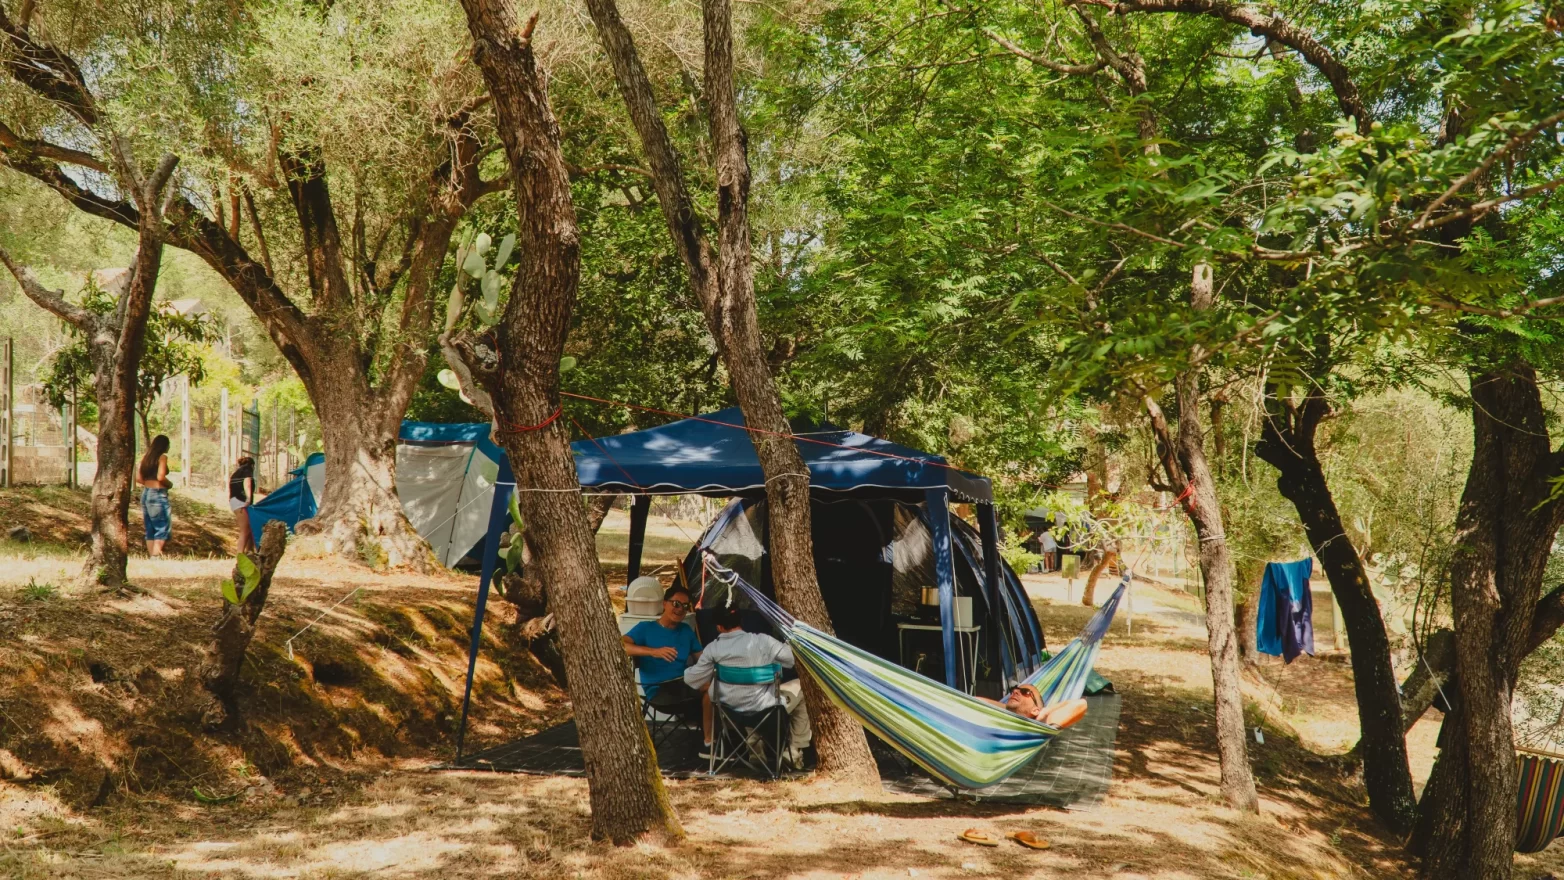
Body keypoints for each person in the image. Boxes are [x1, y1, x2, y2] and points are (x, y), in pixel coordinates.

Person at [684, 605, 811, 768]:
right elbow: (791, 660)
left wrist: (688, 669)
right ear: (741, 621)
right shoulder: (763, 641)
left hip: (731, 713)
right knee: (802, 686)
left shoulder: (713, 649)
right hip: (766, 711)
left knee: (743, 697)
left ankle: (754, 745)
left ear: (719, 627)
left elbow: (692, 679)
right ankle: (793, 749)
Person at [623, 586, 704, 707]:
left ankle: (714, 725)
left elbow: (702, 659)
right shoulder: (645, 628)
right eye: (676, 604)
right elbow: (621, 646)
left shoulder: (686, 630)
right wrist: (653, 652)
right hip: (658, 690)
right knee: (709, 695)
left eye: (685, 606)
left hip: (682, 684)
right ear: (664, 604)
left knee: (716, 691)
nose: (680, 609)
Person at [980, 683, 1087, 729]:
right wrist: (1008, 707)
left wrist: (1045, 711)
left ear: (1035, 710)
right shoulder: (1004, 713)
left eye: (1025, 692)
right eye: (1014, 690)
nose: (1015, 692)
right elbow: (975, 701)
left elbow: (1081, 704)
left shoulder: (1040, 726)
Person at [137, 435, 173, 557]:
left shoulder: (146, 458)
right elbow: (160, 476)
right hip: (158, 494)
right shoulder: (162, 457)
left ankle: (152, 555)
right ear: (164, 445)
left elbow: (138, 478)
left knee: (150, 527)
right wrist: (169, 484)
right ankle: (156, 556)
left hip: (146, 493)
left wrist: (148, 484)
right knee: (162, 527)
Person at [229, 456, 256, 553]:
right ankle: (240, 554)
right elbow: (247, 483)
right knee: (245, 530)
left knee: (250, 528)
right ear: (252, 465)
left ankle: (250, 551)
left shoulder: (236, 473)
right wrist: (248, 499)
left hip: (234, 501)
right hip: (241, 502)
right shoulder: (247, 469)